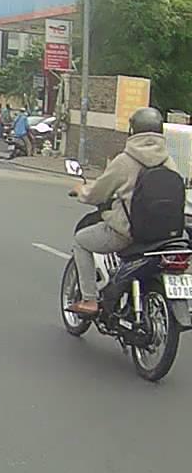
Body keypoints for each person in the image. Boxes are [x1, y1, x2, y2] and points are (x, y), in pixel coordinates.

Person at [67, 107, 181, 316]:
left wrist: (81, 190)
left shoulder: (125, 160)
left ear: (133, 131)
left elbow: (97, 193)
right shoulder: (168, 161)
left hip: (127, 234)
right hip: (164, 236)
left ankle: (89, 300)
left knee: (81, 241)